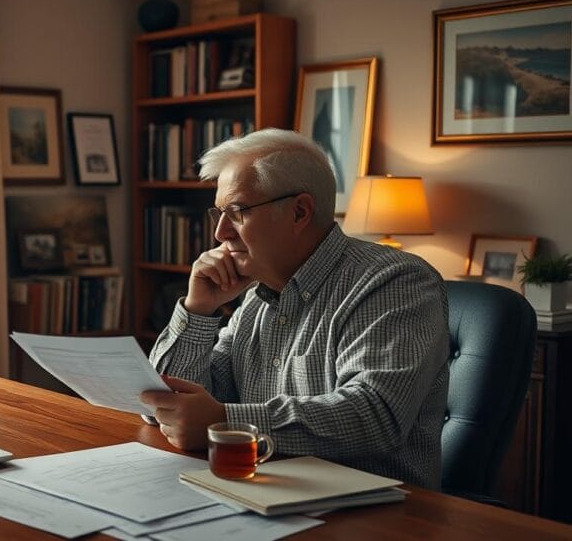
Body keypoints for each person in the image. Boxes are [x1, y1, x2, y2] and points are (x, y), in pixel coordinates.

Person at [139, 128, 450, 489]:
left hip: (377, 514)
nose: (221, 233)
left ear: (300, 212)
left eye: (237, 212)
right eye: (218, 214)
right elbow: (172, 405)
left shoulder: (395, 282)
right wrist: (197, 311)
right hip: (263, 491)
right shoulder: (258, 296)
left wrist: (225, 421)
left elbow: (375, 414)